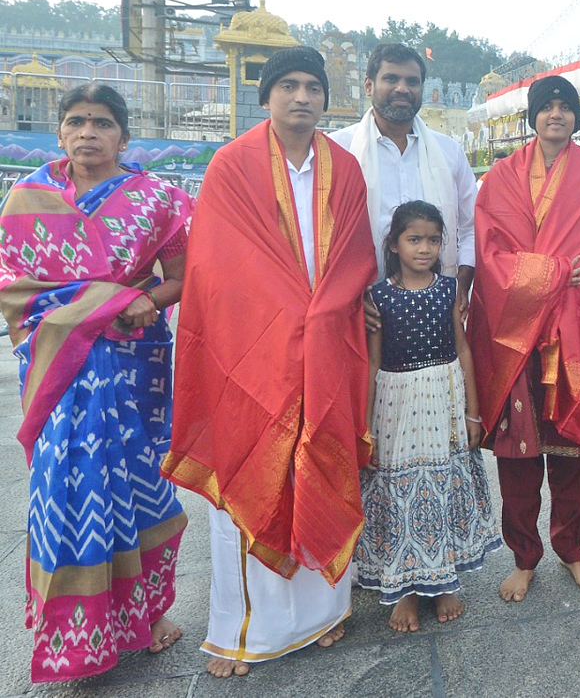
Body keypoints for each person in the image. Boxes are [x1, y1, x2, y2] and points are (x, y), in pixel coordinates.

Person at [161, 47, 377, 676]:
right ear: (266, 96)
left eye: (313, 87)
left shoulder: (345, 167)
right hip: (255, 346)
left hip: (328, 342)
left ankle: (325, 613)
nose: (302, 97)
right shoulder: (232, 164)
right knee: (253, 466)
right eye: (288, 86)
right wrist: (288, 318)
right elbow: (219, 266)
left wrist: (322, 315)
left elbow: (356, 256)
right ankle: (242, 633)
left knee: (322, 460)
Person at [0, 85, 192, 683]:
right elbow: (11, 284)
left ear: (123, 137)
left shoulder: (157, 198)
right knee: (67, 487)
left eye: (102, 123)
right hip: (62, 366)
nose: (88, 132)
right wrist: (104, 301)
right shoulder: (26, 198)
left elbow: (184, 277)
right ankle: (73, 631)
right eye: (77, 121)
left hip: (133, 363)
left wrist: (143, 300)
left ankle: (150, 614)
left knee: (141, 488)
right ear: (60, 132)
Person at [470, 74, 580, 602]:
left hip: (577, 331)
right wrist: (555, 272)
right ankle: (524, 558)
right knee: (517, 457)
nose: (556, 115)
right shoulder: (501, 177)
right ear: (532, 117)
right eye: (546, 107)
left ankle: (572, 549)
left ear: (576, 118)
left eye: (565, 107)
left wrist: (569, 281)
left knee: (575, 453)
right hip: (518, 337)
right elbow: (490, 257)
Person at [356, 201, 501, 631]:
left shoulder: (449, 289)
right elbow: (372, 362)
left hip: (445, 399)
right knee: (399, 490)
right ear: (394, 244)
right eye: (414, 239)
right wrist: (366, 427)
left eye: (433, 240)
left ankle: (444, 582)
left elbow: (463, 348)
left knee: (443, 486)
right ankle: (404, 588)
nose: (424, 248)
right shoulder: (378, 297)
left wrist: (473, 413)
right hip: (396, 405)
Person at [331, 43, 476, 304]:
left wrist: (460, 287)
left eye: (412, 81)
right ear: (368, 86)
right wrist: (352, 296)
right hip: (361, 307)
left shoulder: (449, 152)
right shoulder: (339, 149)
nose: (402, 88)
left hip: (438, 306)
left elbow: (471, 228)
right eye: (390, 79)